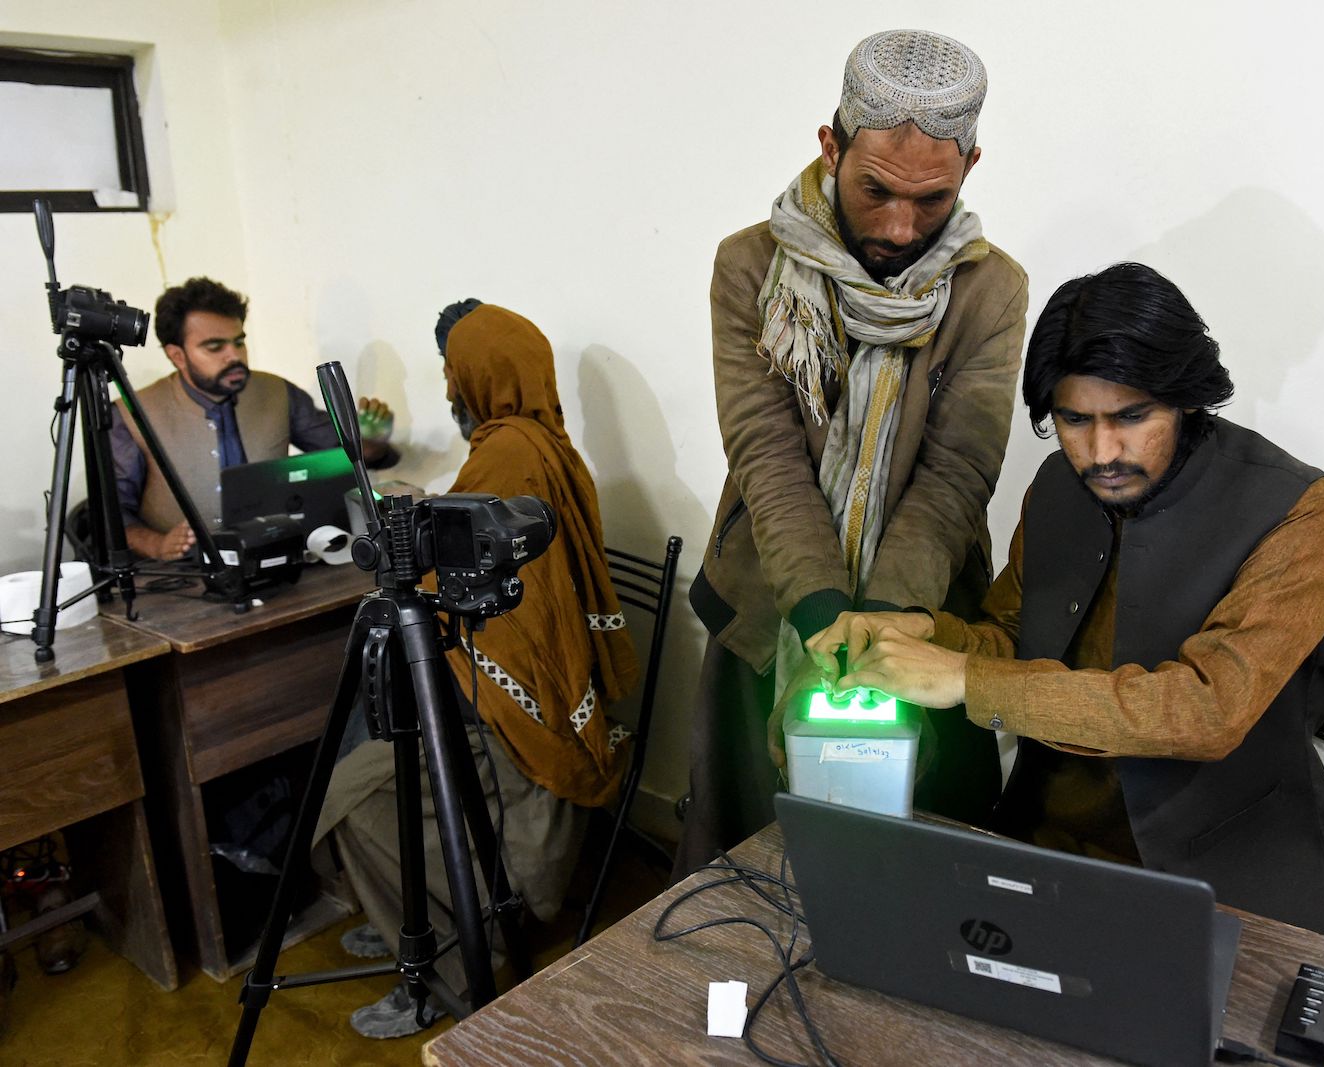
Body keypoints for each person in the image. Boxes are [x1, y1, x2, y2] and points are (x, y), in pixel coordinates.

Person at [797, 263, 1324, 937]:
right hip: (1047, 844)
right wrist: (916, 635)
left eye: (1131, 416)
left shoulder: (1298, 512)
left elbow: (1207, 709)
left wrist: (964, 678)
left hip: (1224, 874)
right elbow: (1009, 633)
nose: (1101, 451)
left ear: (1185, 396)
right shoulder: (1060, 485)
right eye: (1073, 419)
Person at [676, 29, 1029, 875]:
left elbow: (957, 473)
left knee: (918, 879)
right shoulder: (749, 267)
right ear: (830, 147)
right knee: (750, 872)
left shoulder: (992, 288)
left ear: (971, 167)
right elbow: (765, 452)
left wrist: (880, 628)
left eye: (933, 200)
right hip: (773, 609)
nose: (901, 227)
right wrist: (820, 611)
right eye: (876, 190)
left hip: (923, 615)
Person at [313, 302, 639, 1039]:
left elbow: (476, 596)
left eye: (453, 374)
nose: (451, 391)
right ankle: (406, 917)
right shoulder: (543, 440)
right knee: (376, 732)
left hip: (514, 728)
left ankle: (445, 962)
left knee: (349, 790)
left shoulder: (506, 451)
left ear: (477, 376)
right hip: (550, 699)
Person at [109, 276, 398, 560]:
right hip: (185, 576)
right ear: (177, 355)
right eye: (215, 347)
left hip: (277, 557)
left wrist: (371, 441)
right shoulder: (132, 414)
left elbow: (344, 457)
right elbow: (114, 514)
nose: (234, 356)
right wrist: (158, 545)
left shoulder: (277, 392)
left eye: (239, 342)